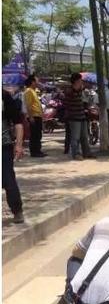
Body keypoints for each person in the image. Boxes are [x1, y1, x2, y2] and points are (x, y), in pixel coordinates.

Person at [2, 89, 25, 224]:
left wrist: (19, 144)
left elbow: (18, 123)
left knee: (8, 180)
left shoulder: (4, 97)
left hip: (3, 146)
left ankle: (17, 210)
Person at [64, 73, 94, 160]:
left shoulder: (82, 90)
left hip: (82, 116)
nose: (82, 82)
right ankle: (76, 154)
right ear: (76, 81)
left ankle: (87, 153)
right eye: (80, 80)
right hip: (74, 117)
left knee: (84, 136)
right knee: (75, 137)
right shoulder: (69, 90)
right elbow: (69, 96)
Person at [23, 74, 47, 157]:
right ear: (32, 82)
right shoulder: (29, 91)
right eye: (36, 81)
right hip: (34, 116)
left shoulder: (33, 91)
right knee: (34, 134)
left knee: (38, 134)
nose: (38, 82)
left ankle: (38, 150)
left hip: (37, 116)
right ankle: (34, 152)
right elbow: (28, 105)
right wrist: (31, 116)